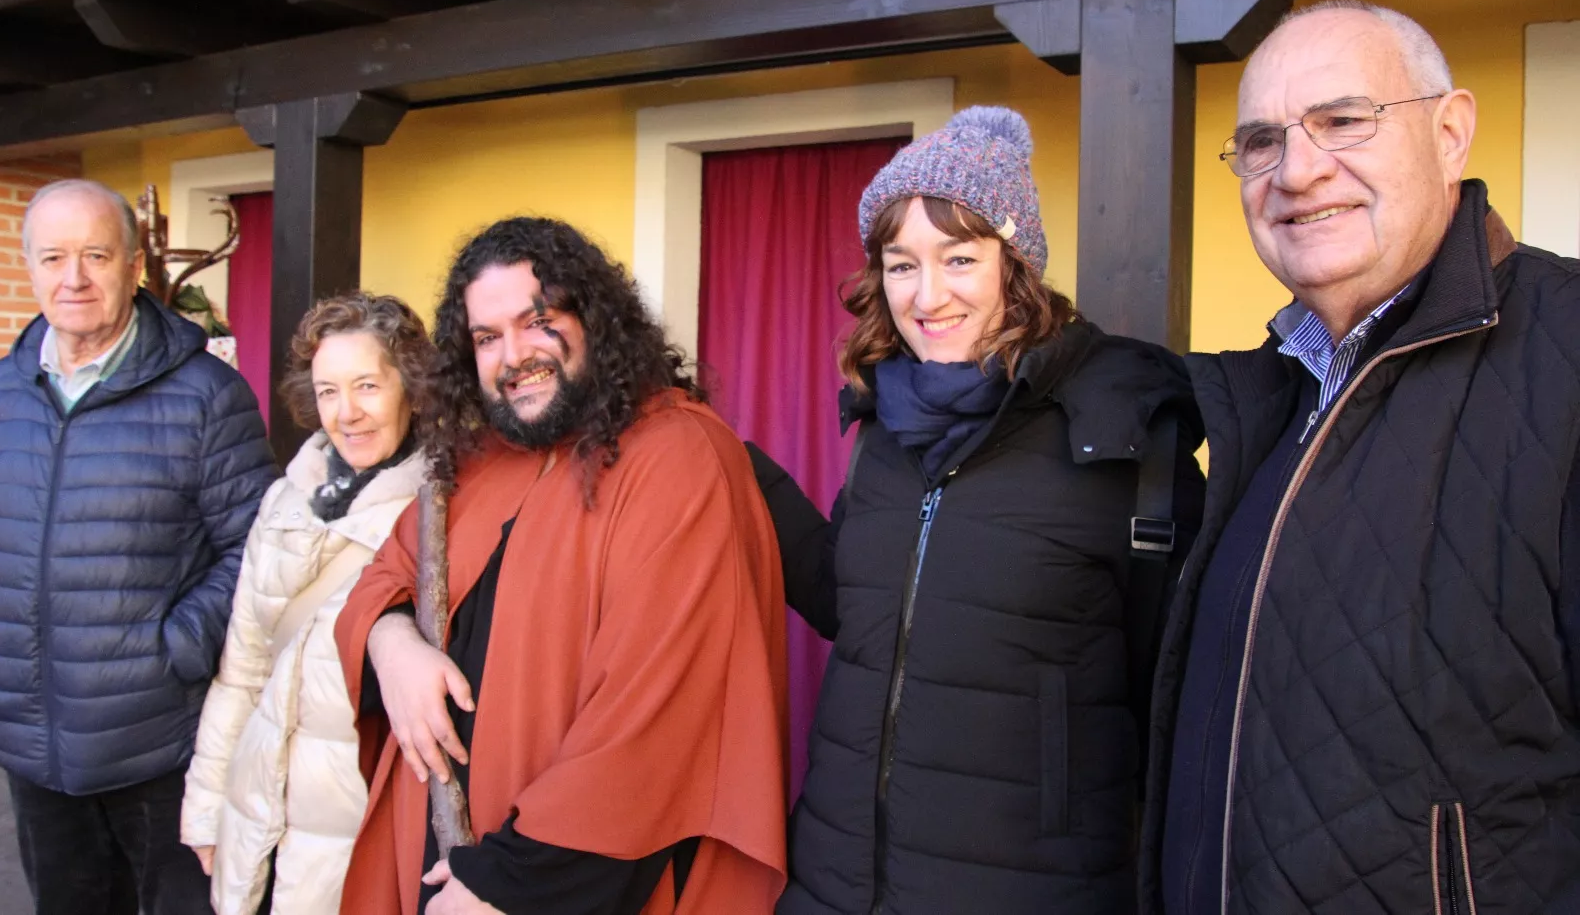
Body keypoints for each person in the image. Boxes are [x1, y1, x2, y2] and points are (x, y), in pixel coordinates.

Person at [1144, 0, 1580, 914]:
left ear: (1451, 131)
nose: (1298, 171)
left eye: (1343, 120)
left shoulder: (1567, 357)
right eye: (1261, 141)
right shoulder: (1275, 394)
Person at [747, 107, 1205, 914]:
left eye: (958, 258)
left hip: (1030, 889)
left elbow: (1175, 687)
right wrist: (730, 467)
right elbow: (849, 603)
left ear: (1016, 263)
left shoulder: (1120, 440)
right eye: (899, 265)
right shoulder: (885, 428)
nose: (927, 296)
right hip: (838, 880)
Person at [333, 217, 789, 914]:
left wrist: (507, 884)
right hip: (440, 861)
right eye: (487, 338)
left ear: (595, 319)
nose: (513, 355)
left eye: (537, 321)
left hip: (559, 883)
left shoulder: (677, 456)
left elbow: (654, 718)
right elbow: (382, 581)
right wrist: (394, 649)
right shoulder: (481, 462)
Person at [0, 178, 277, 914]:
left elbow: (258, 549)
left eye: (95, 255)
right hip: (33, 742)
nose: (73, 278)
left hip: (158, 746)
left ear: (134, 265)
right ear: (30, 267)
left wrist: (171, 648)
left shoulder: (206, 394)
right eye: (53, 257)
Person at [181, 292, 435, 914]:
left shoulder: (441, 514)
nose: (346, 413)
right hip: (260, 818)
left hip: (365, 836)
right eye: (327, 391)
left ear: (412, 386)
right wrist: (210, 810)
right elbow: (242, 671)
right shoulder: (284, 502)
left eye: (367, 386)